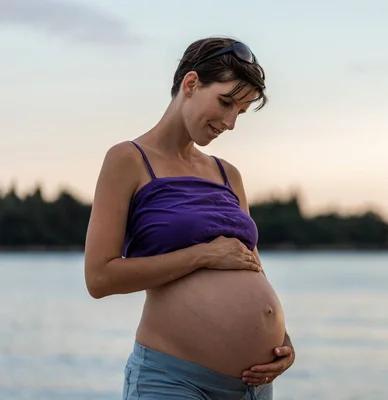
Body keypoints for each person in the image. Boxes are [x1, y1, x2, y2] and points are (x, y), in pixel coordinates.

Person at [84, 36, 295, 400]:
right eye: (226, 103)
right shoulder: (128, 160)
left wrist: (281, 340)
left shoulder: (228, 174)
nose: (230, 123)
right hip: (173, 382)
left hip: (254, 388)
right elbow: (99, 277)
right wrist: (201, 255)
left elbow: (248, 263)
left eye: (240, 113)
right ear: (191, 83)